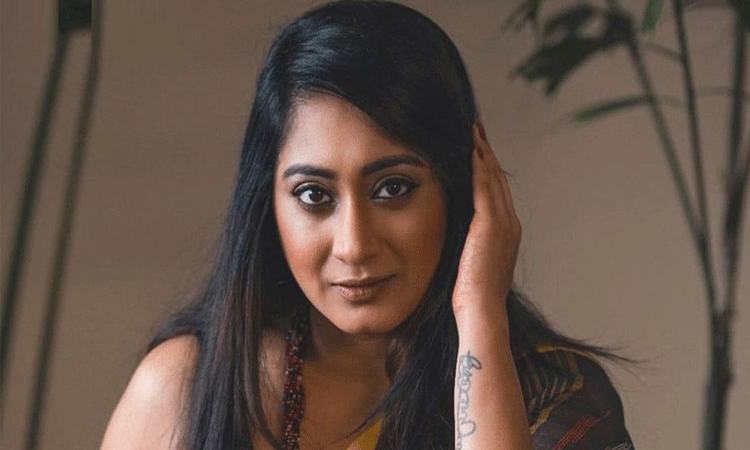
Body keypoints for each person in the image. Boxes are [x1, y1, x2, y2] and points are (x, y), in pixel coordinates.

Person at [101, 1, 634, 449]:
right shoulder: (186, 390)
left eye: (392, 189)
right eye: (314, 195)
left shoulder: (557, 393)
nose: (354, 245)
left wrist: (479, 315)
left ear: (459, 182)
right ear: (267, 203)